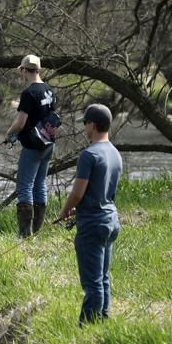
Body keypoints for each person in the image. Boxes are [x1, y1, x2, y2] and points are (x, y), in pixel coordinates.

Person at [58, 104, 122, 325]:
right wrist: (82, 204)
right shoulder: (115, 153)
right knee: (103, 279)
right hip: (110, 221)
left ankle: (86, 328)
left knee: (92, 283)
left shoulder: (89, 155)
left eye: (85, 123)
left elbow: (77, 193)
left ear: (92, 125)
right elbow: (102, 190)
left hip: (92, 225)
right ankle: (102, 324)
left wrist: (66, 210)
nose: (85, 127)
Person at [4, 54, 57, 237]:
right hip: (49, 144)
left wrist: (9, 133)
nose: (21, 74)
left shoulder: (29, 93)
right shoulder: (49, 90)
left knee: (24, 186)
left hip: (33, 146)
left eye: (21, 71)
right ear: (39, 69)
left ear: (25, 70)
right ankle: (36, 232)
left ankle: (25, 235)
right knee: (40, 184)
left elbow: (20, 122)